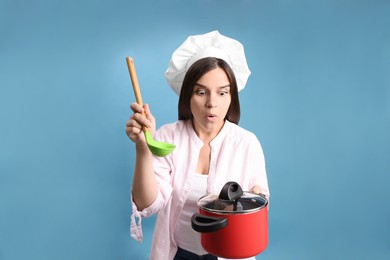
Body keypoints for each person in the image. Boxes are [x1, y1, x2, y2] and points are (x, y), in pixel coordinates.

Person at [126, 31, 269, 260]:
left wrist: (250, 203)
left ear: (231, 97)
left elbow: (259, 207)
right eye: (201, 92)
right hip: (178, 254)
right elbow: (147, 204)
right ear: (187, 95)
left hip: (228, 253)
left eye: (222, 92)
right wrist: (143, 148)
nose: (212, 103)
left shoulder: (247, 144)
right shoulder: (167, 137)